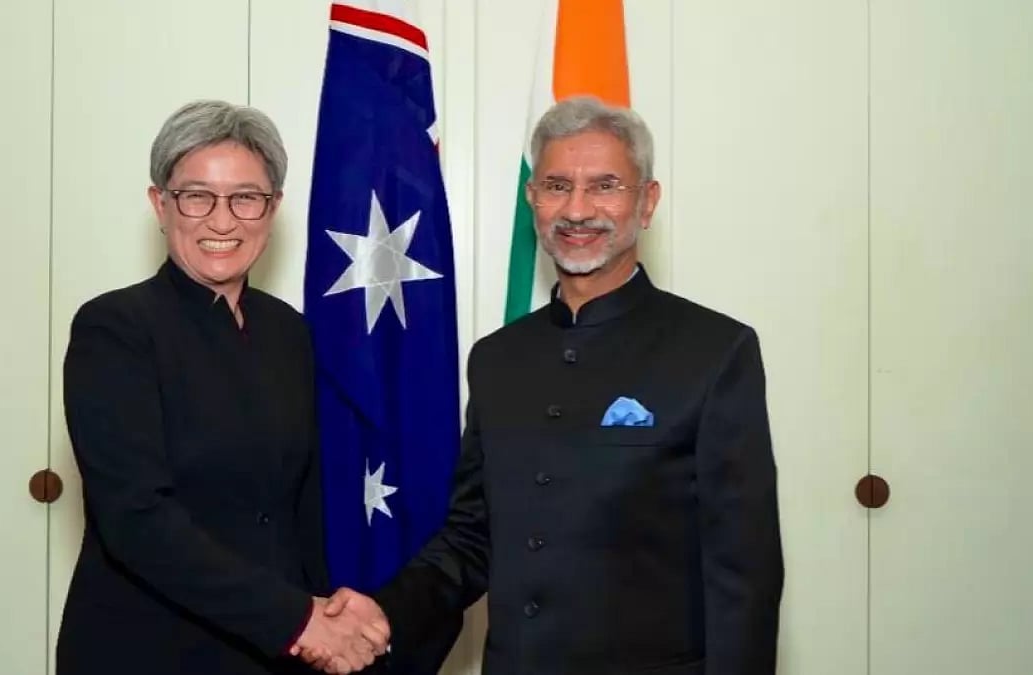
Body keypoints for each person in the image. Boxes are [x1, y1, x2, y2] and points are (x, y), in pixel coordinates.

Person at [321, 96, 784, 674]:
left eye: (606, 186)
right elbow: (472, 538)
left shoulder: (716, 351)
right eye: (557, 185)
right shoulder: (495, 359)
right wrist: (384, 613)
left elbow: (745, 572)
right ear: (532, 200)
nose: (579, 209)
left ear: (647, 203)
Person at [57, 100, 388, 675]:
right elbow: (136, 517)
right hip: (146, 647)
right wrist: (297, 619)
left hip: (275, 652)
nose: (221, 220)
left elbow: (299, 508)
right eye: (196, 196)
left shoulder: (288, 331)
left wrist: (328, 614)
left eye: (245, 197)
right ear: (160, 204)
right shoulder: (114, 328)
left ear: (273, 208)